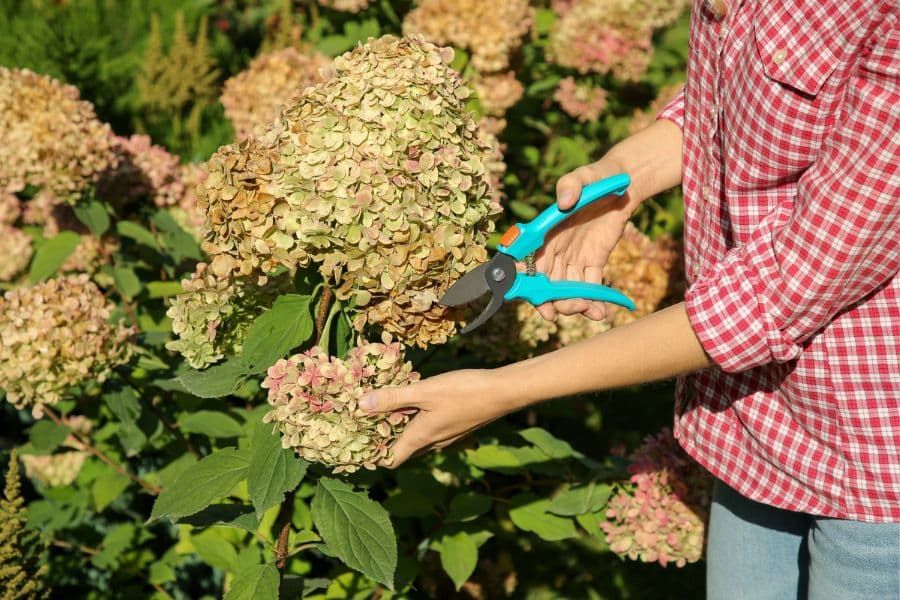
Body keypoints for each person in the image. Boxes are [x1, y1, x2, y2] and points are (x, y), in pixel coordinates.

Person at [361, 1, 899, 598]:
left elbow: (780, 289)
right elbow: (730, 100)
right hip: (757, 430)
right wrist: (623, 173)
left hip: (876, 475)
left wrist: (504, 388)